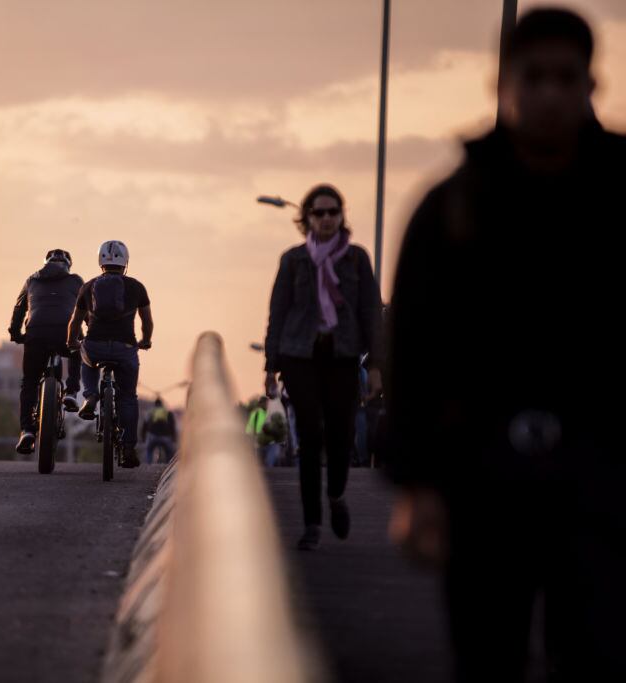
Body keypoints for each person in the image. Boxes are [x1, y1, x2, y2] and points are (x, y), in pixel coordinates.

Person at [386, 9, 625, 681]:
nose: (550, 92)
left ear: (590, 85)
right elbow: (411, 349)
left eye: (566, 77)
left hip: (604, 479)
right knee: (486, 656)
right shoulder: (453, 204)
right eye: (534, 76)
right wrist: (417, 485)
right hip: (482, 481)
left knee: (600, 654)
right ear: (503, 84)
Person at [263, 183, 384, 551]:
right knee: (310, 440)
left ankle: (336, 496)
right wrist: (270, 365)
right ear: (307, 218)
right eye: (320, 212)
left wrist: (376, 364)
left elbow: (370, 313)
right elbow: (278, 313)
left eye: (334, 212)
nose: (327, 219)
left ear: (342, 216)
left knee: (341, 435)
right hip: (300, 356)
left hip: (343, 356)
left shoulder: (357, 259)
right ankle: (312, 524)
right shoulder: (293, 260)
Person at [67, 240, 153, 468]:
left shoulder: (88, 286)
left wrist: (72, 341)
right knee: (128, 397)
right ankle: (127, 448)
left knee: (85, 356)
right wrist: (145, 340)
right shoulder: (137, 287)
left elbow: (75, 322)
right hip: (125, 349)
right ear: (125, 262)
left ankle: (91, 395)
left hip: (94, 346)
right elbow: (147, 321)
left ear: (100, 262)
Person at [8, 249, 83, 455]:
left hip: (36, 333)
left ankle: (26, 431)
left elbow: (19, 308)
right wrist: (88, 334)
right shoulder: (76, 281)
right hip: (64, 332)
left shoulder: (32, 279)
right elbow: (87, 308)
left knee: (30, 382)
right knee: (76, 348)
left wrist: (15, 333)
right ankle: (71, 392)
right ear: (68, 265)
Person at [141, 397, 177, 464]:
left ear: (155, 404)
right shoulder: (167, 412)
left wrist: (143, 437)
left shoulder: (150, 412)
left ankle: (148, 464)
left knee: (149, 450)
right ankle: (168, 464)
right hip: (165, 437)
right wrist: (173, 438)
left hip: (153, 436)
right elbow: (172, 426)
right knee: (169, 452)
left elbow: (145, 425)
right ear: (162, 404)